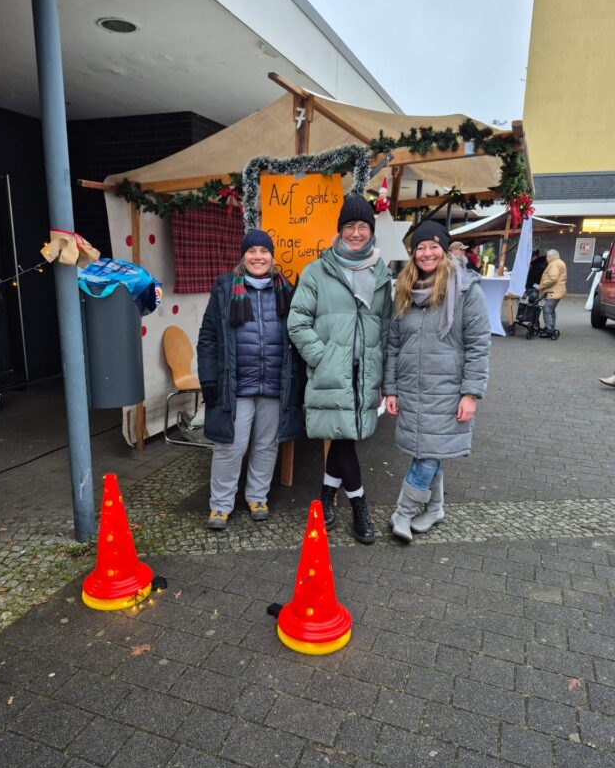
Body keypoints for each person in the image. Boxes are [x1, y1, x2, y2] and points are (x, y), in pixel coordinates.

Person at [288, 193, 392, 545]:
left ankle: (326, 498)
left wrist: (382, 369)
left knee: (345, 435)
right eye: (350, 226)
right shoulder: (317, 271)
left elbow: (386, 324)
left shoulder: (382, 273)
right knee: (345, 439)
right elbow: (297, 322)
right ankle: (359, 505)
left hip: (365, 373)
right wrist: (322, 358)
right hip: (333, 371)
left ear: (371, 231)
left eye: (363, 226)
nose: (357, 233)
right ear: (340, 230)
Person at [383, 220, 491, 542]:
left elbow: (478, 344)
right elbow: (393, 343)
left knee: (427, 452)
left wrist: (471, 393)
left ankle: (404, 511)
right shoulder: (404, 289)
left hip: (447, 390)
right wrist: (390, 388)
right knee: (428, 449)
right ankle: (435, 508)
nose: (427, 253)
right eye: (420, 247)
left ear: (444, 250)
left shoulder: (466, 290)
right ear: (413, 253)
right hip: (413, 388)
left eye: (433, 246)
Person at [197, 229, 301, 530]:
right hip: (235, 384)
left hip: (273, 384)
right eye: (252, 251)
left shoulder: (287, 290)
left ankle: (257, 496)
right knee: (231, 445)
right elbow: (208, 338)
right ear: (243, 256)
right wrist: (209, 380)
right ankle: (220, 505)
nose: (258, 257)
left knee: (267, 445)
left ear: (272, 256)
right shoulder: (225, 288)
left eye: (264, 251)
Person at [537, 248, 567, 338]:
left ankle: (549, 329)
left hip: (553, 291)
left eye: (547, 256)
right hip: (556, 291)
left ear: (551, 256)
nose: (546, 258)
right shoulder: (559, 262)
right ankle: (551, 328)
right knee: (551, 310)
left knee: (547, 309)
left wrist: (541, 286)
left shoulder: (554, 264)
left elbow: (553, 278)